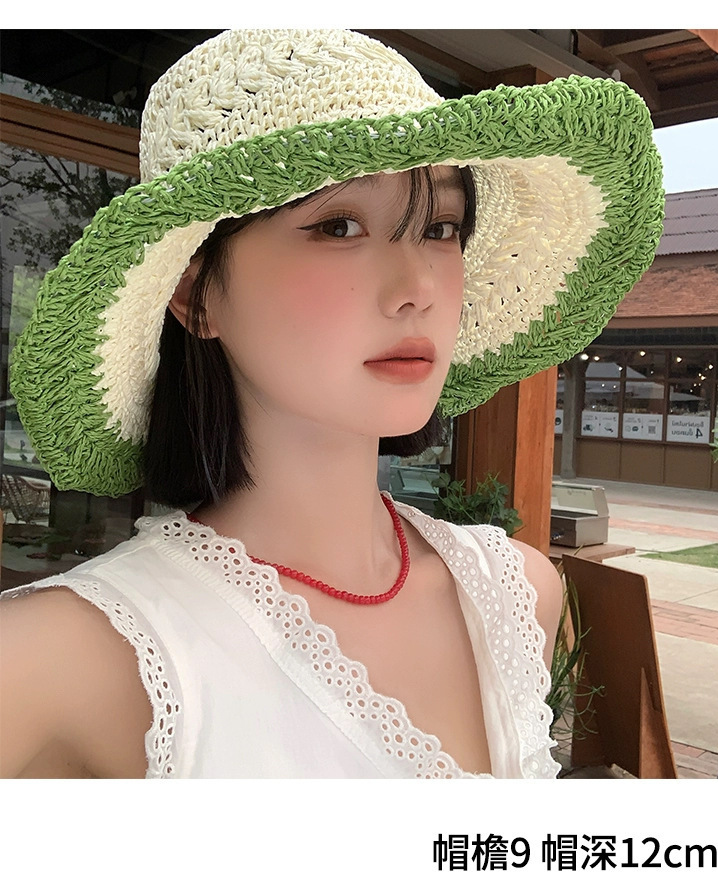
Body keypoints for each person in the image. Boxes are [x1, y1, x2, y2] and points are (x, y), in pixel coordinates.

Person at [0, 29, 663, 779]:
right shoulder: (62, 660)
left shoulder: (519, 592)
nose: (418, 288)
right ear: (194, 294)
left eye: (442, 228)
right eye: (339, 226)